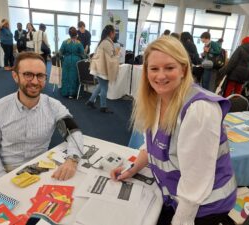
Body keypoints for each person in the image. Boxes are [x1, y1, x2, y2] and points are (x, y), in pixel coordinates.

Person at [110, 36, 236, 225]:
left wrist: (180, 221)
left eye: (169, 68)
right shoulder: (157, 98)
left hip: (204, 208)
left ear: (183, 69)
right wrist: (132, 168)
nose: (160, 76)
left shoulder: (199, 108)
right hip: (175, 195)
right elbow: (150, 145)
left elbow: (196, 180)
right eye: (154, 69)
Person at [0, 52, 83, 191]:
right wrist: (2, 179)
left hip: (38, 166)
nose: (35, 81)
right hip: (1, 167)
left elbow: (74, 132)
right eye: (28, 74)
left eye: (40, 75)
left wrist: (72, 160)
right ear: (15, 76)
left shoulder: (54, 106)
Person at [86, 25, 120, 113]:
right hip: (102, 68)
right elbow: (111, 57)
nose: (114, 35)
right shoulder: (107, 43)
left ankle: (90, 101)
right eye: (114, 33)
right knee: (104, 87)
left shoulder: (104, 41)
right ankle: (103, 107)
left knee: (101, 86)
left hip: (100, 67)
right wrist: (117, 52)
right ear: (111, 33)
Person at [59, 26, 84, 98]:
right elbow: (83, 54)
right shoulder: (78, 43)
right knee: (74, 76)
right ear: (76, 34)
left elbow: (60, 53)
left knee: (66, 76)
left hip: (66, 61)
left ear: (69, 34)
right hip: (76, 62)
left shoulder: (65, 42)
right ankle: (72, 93)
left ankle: (65, 92)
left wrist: (62, 59)